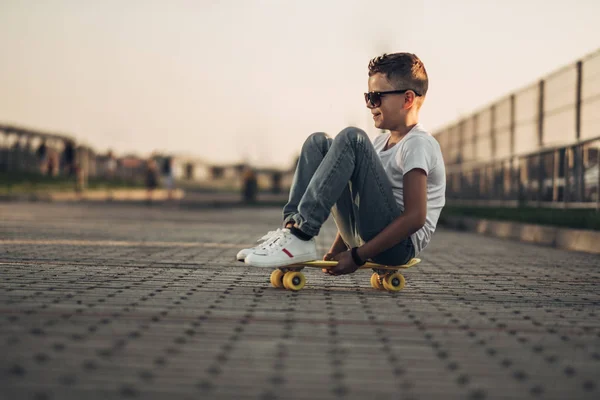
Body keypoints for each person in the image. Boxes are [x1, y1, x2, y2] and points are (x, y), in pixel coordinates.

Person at [238, 53, 446, 276]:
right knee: (318, 143)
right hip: (366, 235)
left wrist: (357, 256)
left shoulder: (418, 143)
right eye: (367, 97)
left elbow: (415, 217)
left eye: (376, 97)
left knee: (352, 138)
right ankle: (293, 234)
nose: (369, 105)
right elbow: (355, 199)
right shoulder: (379, 143)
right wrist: (338, 250)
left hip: (398, 246)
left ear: (407, 99)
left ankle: (301, 236)